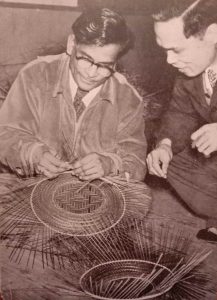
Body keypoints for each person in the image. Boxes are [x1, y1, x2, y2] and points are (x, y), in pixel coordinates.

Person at [0, 8, 147, 182]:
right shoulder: (35, 75)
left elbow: (136, 161)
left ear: (116, 62)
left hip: (94, 195)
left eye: (105, 65)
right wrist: (33, 154)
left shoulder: (128, 98)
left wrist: (110, 164)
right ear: (71, 44)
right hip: (30, 185)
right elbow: (6, 134)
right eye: (85, 59)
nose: (92, 73)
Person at [147, 0, 217, 242]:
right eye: (164, 50)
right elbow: (180, 113)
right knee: (172, 161)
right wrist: (164, 145)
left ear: (212, 34)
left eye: (176, 50)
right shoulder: (190, 74)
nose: (169, 60)